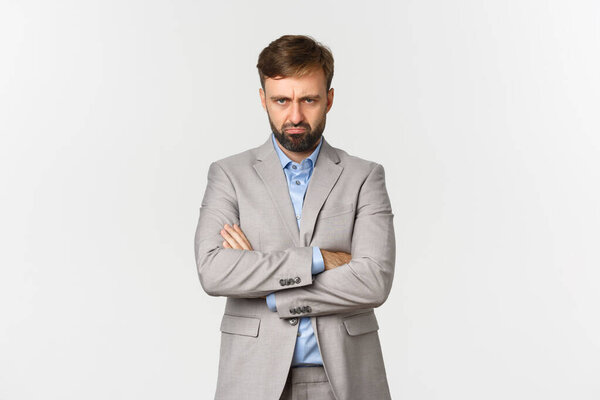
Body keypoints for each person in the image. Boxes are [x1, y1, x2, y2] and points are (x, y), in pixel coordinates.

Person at [194, 34, 395, 400]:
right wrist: (319, 259)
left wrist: (267, 284)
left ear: (329, 100)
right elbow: (213, 270)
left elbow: (374, 280)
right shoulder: (229, 175)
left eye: (309, 100)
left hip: (346, 379)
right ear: (263, 100)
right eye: (281, 101)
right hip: (254, 377)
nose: (295, 116)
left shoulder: (365, 176)